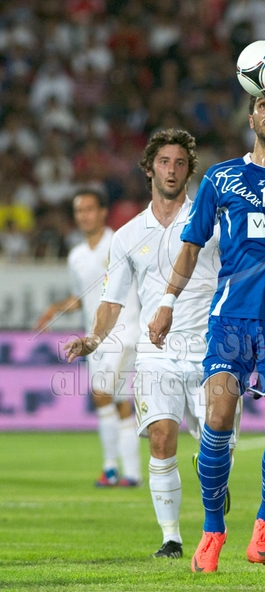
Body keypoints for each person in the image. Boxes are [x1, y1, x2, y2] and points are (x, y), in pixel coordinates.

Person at [148, 87, 265, 572]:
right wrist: (167, 302)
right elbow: (191, 246)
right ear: (251, 117)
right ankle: (213, 530)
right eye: (262, 105)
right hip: (230, 320)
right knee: (216, 420)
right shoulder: (222, 177)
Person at [64, 129, 240, 559]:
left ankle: (212, 474)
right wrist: (94, 338)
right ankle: (171, 538)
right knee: (161, 438)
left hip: (212, 350)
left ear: (189, 171)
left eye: (180, 163)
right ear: (149, 169)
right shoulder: (127, 235)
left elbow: (237, 276)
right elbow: (111, 300)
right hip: (156, 353)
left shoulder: (213, 223)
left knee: (219, 447)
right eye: (164, 162)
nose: (172, 170)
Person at [36, 189, 142, 487]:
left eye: (89, 209)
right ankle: (132, 473)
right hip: (93, 339)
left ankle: (110, 468)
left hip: (124, 330)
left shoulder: (120, 242)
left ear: (103, 211)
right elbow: (80, 297)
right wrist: (55, 310)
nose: (84, 215)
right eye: (79, 211)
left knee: (100, 394)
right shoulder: (77, 256)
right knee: (118, 402)